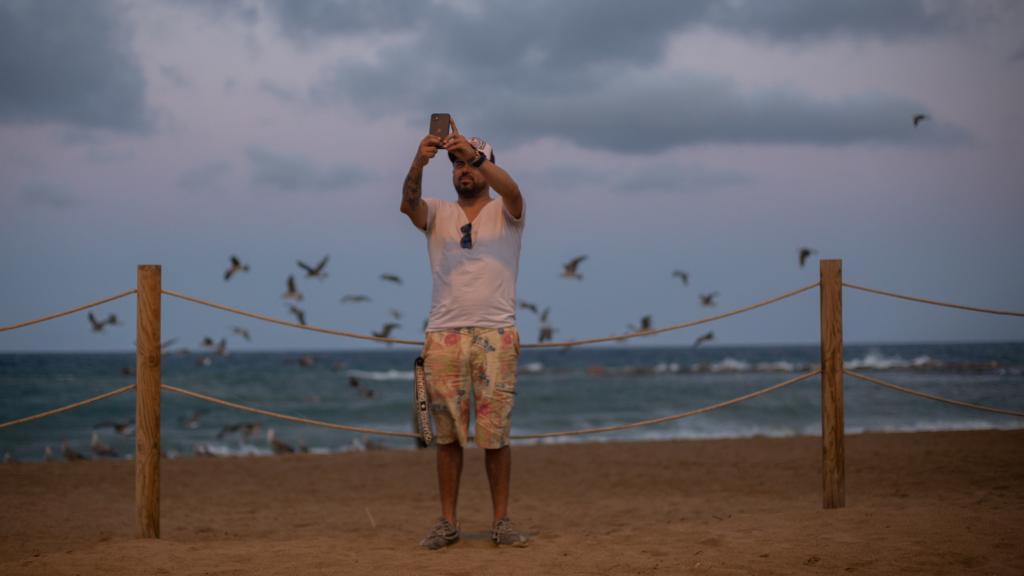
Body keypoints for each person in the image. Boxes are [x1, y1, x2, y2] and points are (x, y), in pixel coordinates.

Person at [401, 123, 529, 549]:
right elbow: (408, 204)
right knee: (448, 437)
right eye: (455, 164)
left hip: (496, 332)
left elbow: (512, 191)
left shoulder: (506, 210)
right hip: (444, 334)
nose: (462, 171)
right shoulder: (438, 212)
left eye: (470, 163)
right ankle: (448, 523)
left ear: (486, 164)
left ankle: (501, 522)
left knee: (496, 436)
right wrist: (420, 161)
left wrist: (475, 155)